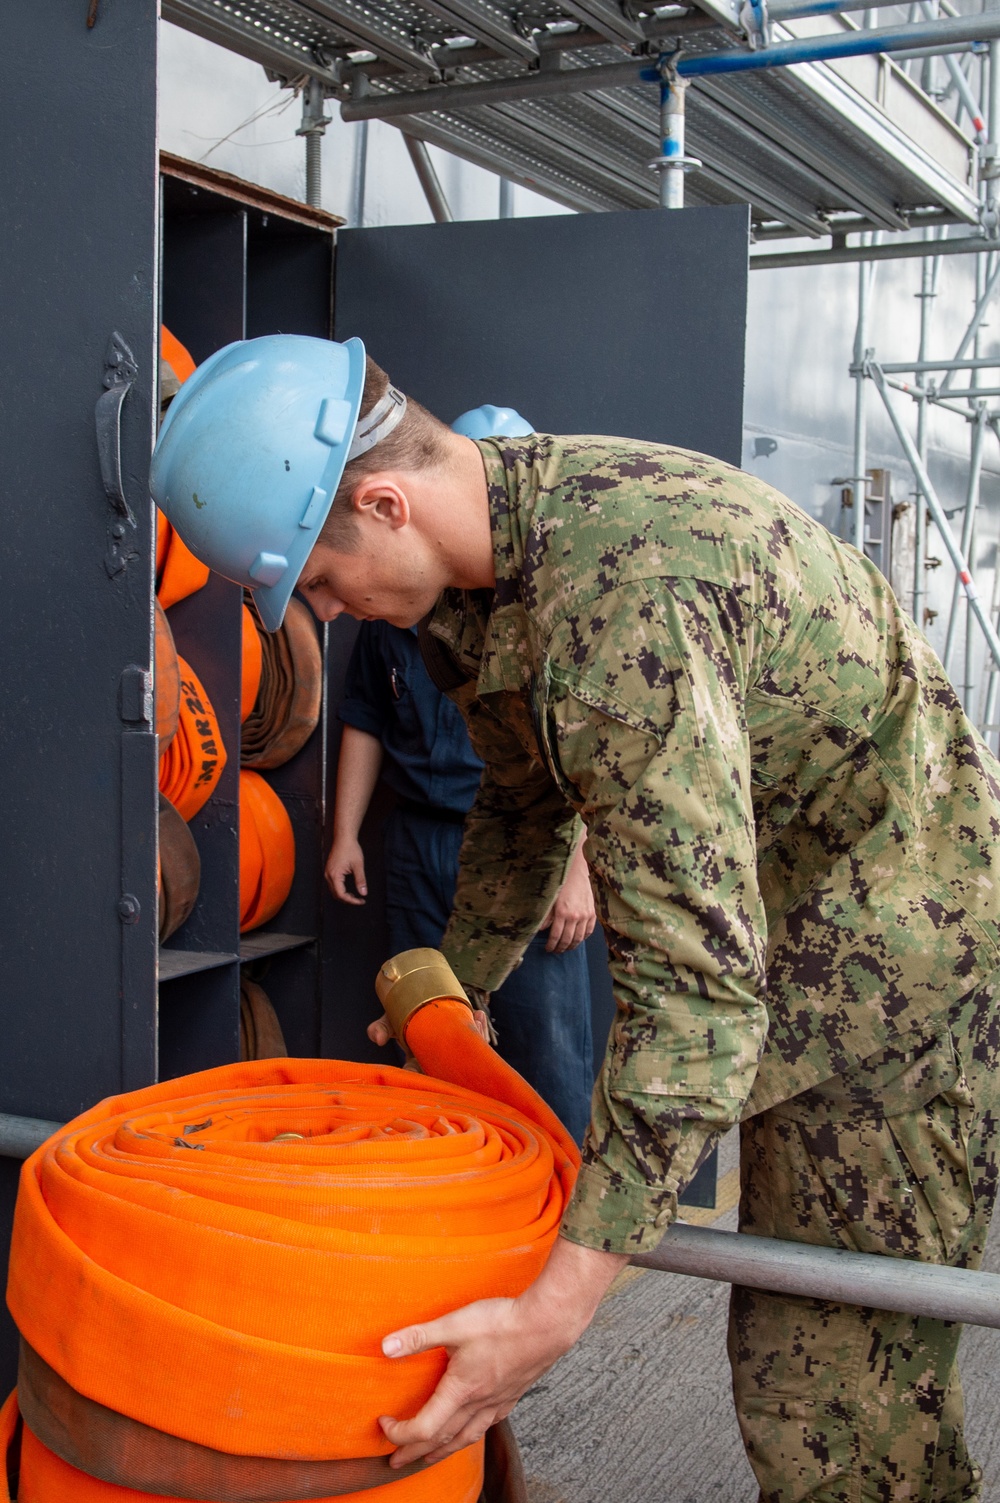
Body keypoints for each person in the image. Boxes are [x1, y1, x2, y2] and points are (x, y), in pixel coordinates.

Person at [152, 334, 1000, 1503]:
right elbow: (522, 801)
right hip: (797, 928)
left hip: (897, 970)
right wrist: (456, 983)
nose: (334, 616)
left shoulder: (619, 601)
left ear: (384, 503)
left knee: (836, 1388)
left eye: (325, 583)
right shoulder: (493, 574)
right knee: (796, 1359)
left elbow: (697, 997)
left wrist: (557, 1311)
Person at [326, 404, 595, 1145]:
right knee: (433, 1035)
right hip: (424, 841)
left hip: (530, 855)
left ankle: (563, 1207)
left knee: (546, 1047)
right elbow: (366, 720)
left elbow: (593, 762)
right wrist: (345, 833)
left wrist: (580, 873)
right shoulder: (396, 605)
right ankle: (448, 1197)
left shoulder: (561, 604)